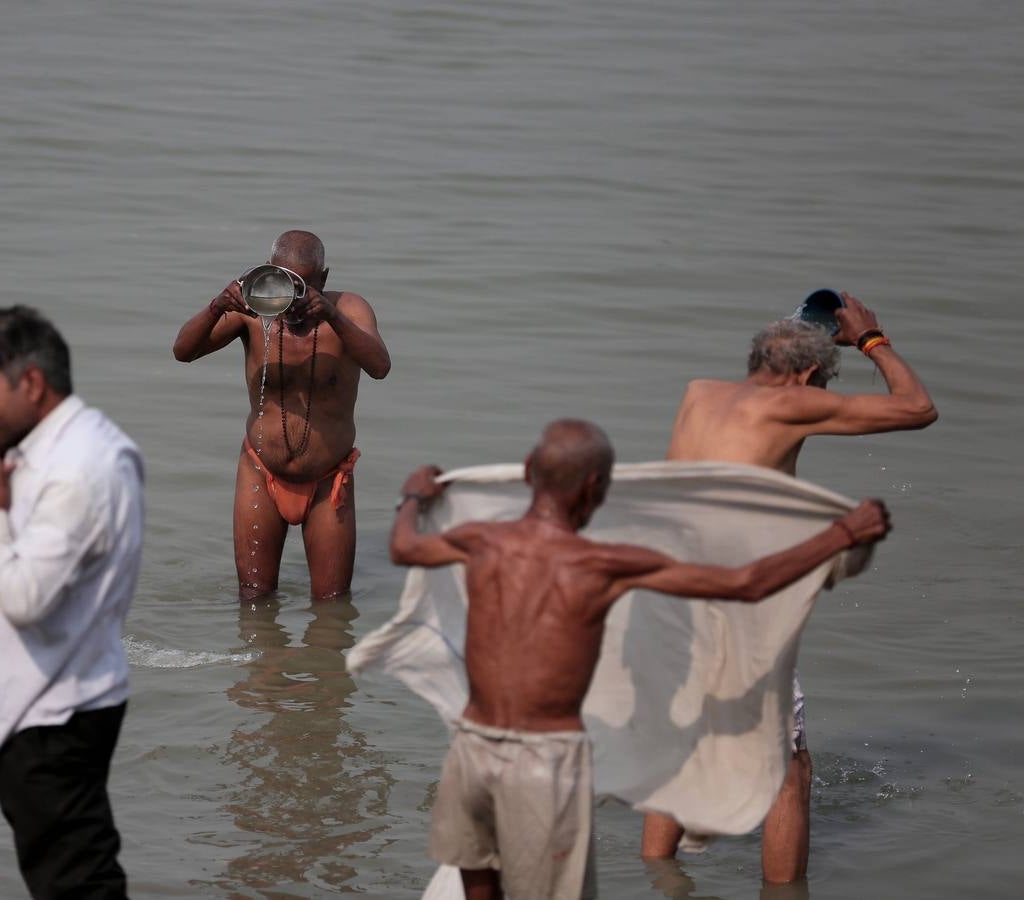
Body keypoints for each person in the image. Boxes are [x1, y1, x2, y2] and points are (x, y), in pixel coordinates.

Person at [389, 420, 892, 900]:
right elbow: (746, 583)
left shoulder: (479, 540)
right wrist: (841, 535)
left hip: (472, 751)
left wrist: (413, 496)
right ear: (595, 488)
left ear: (526, 471)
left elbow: (405, 547)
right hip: (545, 764)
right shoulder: (603, 564)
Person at [643, 292, 937, 883]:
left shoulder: (699, 395)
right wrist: (872, 341)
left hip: (670, 597)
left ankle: (657, 879)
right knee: (787, 770)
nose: (821, 394)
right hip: (740, 610)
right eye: (821, 382)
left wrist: (806, 335)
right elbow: (918, 407)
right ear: (804, 377)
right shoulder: (790, 406)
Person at [0, 306, 144, 900]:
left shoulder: (82, 467)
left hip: (55, 714)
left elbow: (25, 597)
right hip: (40, 704)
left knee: (78, 885)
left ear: (31, 382)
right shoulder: (46, 449)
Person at [173, 230, 390, 600]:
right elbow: (183, 351)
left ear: (323, 279)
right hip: (260, 470)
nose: (291, 300)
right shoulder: (252, 311)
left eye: (302, 287)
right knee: (253, 598)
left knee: (331, 605)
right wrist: (217, 306)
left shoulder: (350, 309)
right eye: (283, 281)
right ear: (268, 271)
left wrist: (332, 315)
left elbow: (380, 366)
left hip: (328, 479)